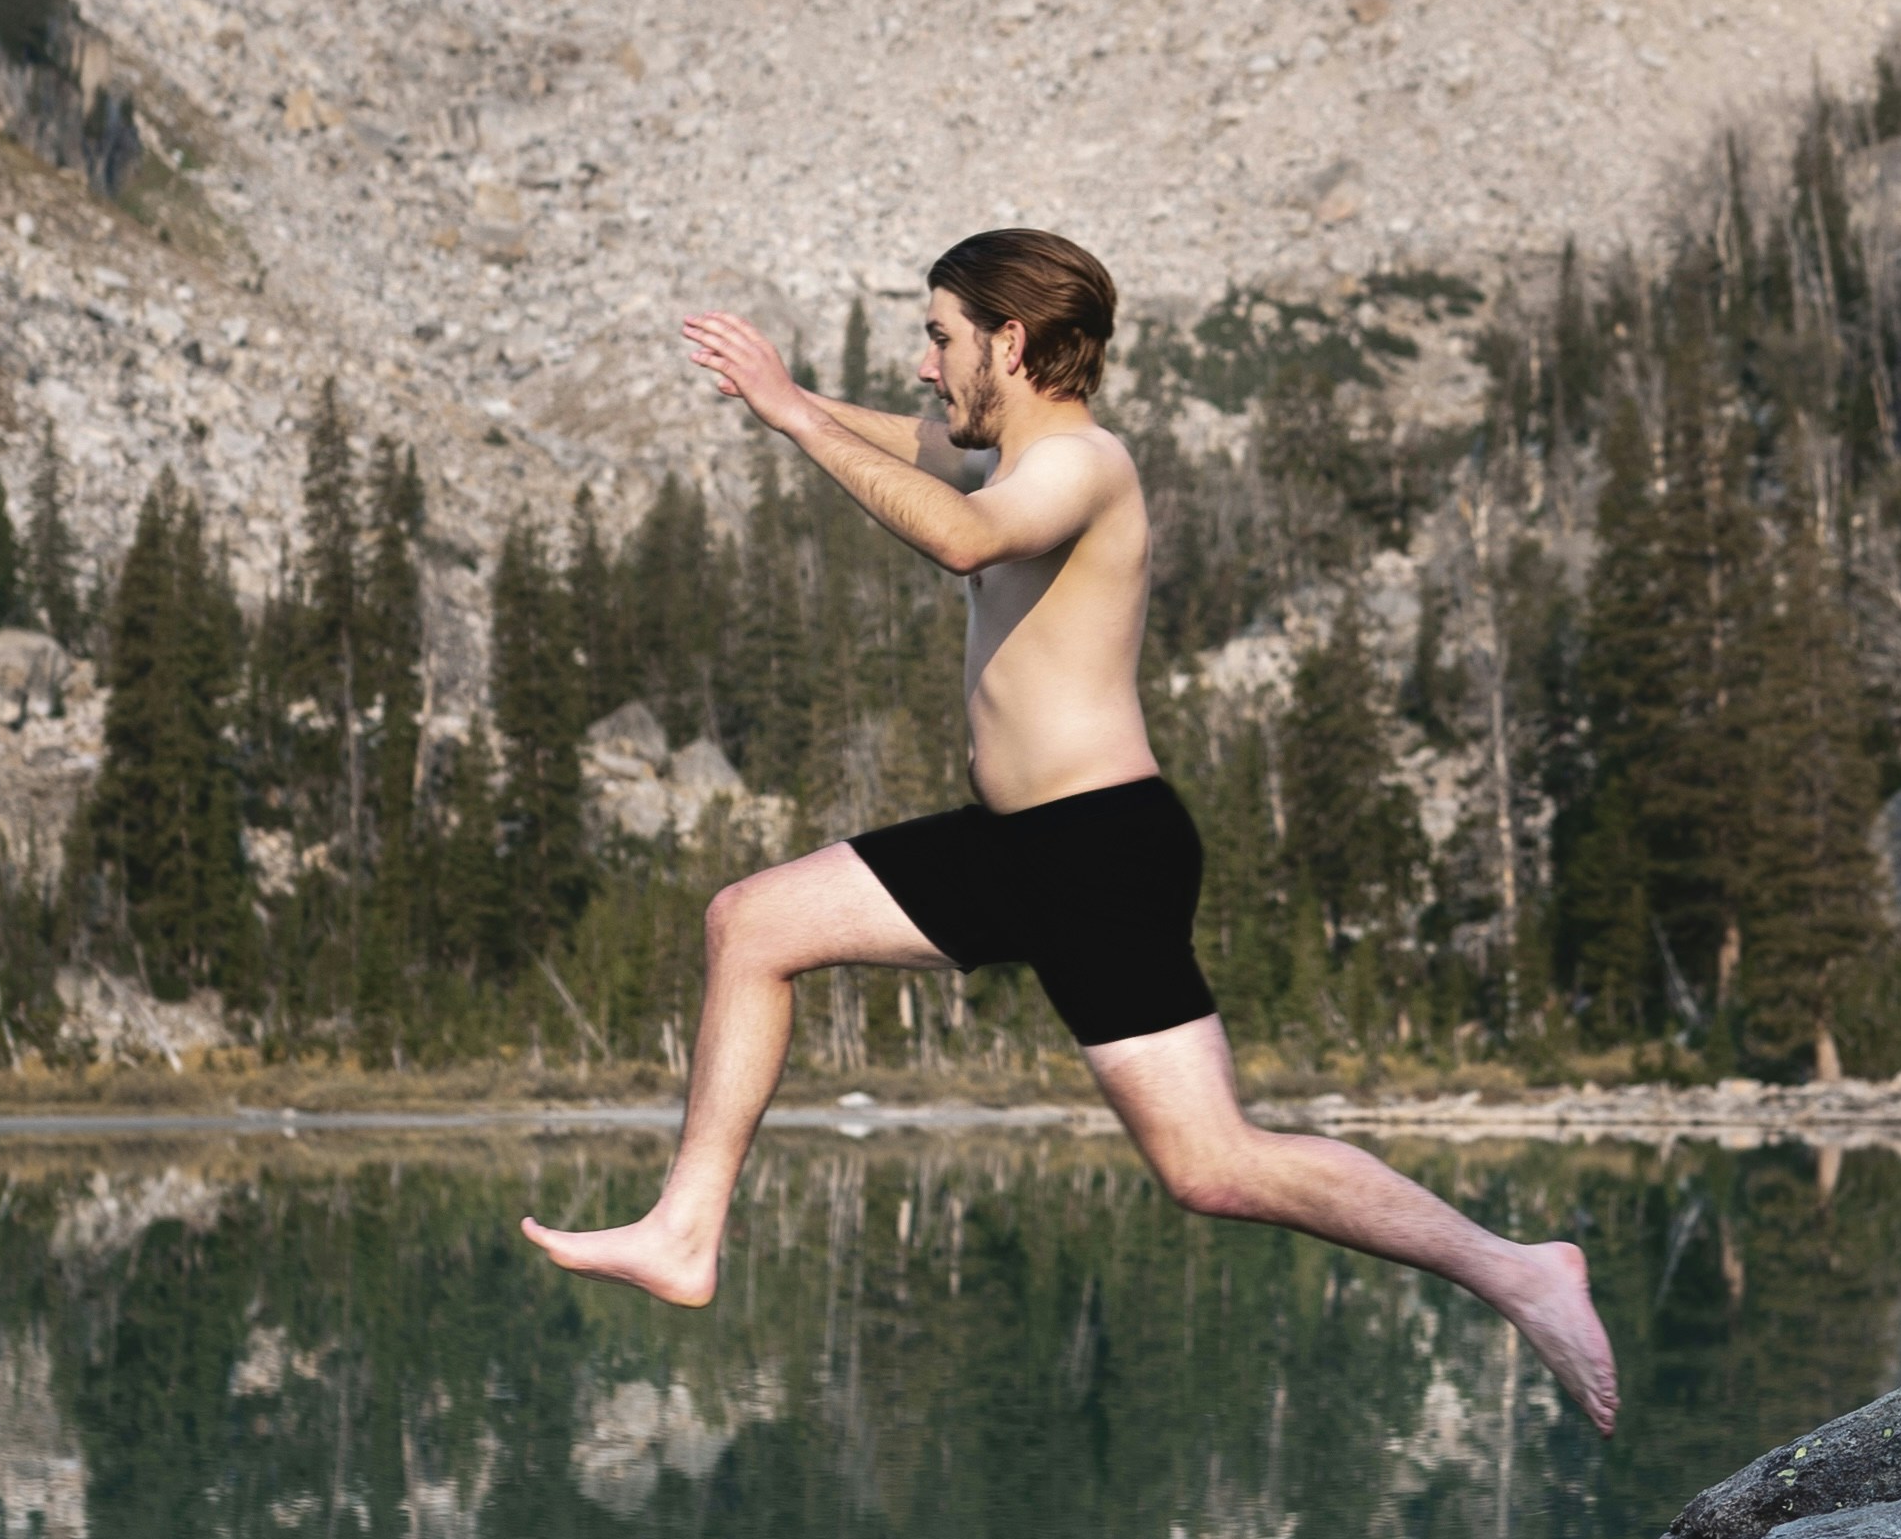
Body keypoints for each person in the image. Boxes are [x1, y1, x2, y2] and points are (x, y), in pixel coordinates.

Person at [518, 223, 1618, 1427]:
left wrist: (790, 413)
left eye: (940, 338)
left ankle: (1519, 1268)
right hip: (1015, 847)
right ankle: (685, 1230)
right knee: (751, 921)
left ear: (1012, 339)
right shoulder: (1013, 452)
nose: (927, 367)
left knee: (1213, 1166)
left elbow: (960, 536)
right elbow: (922, 446)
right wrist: (782, 392)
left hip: (1100, 853)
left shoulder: (1085, 466)